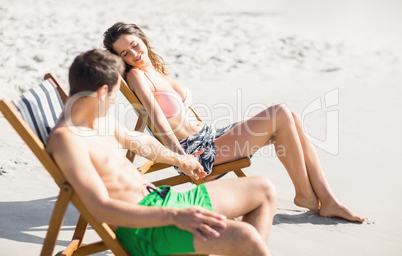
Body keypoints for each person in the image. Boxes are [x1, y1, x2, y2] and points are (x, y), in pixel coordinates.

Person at [103, 22, 365, 223]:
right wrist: (183, 158)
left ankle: (325, 198)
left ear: (143, 39)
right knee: (281, 113)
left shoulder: (154, 69)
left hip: (209, 137)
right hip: (198, 152)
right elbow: (158, 121)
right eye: (125, 53)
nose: (134, 54)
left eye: (135, 45)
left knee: (291, 117)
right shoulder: (137, 77)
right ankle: (308, 196)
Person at [46, 49, 276, 256]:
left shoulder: (97, 118)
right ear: (103, 92)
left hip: (165, 201)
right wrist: (175, 216)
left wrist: (179, 159)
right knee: (247, 237)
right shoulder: (68, 140)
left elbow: (138, 141)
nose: (114, 100)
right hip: (145, 232)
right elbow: (100, 208)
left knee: (263, 189)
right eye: (115, 94)